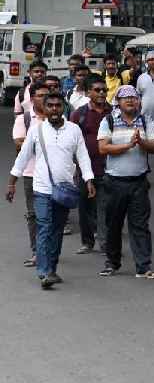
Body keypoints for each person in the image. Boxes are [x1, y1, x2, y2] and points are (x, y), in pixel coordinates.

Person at [7, 91, 95, 289]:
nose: (54, 109)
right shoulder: (36, 130)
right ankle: (44, 272)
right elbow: (23, 157)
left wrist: (89, 179)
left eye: (58, 105)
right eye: (50, 105)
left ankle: (51, 268)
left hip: (64, 190)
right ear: (44, 108)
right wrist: (12, 183)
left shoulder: (74, 130)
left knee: (56, 230)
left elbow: (82, 156)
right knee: (44, 228)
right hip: (42, 189)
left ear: (63, 107)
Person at [97, 85, 154, 278]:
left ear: (138, 101)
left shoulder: (145, 120)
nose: (130, 100)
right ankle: (112, 263)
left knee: (140, 225)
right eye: (125, 98)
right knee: (113, 224)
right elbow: (103, 148)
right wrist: (128, 145)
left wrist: (141, 142)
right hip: (114, 183)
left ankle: (144, 267)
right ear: (118, 102)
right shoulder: (109, 120)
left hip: (138, 182)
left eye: (133, 97)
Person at [70, 75, 112, 255]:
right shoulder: (78, 114)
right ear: (88, 93)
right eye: (97, 90)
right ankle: (87, 242)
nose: (102, 93)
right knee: (85, 207)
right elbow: (71, 141)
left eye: (104, 90)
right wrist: (74, 167)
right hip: (85, 169)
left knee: (105, 207)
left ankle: (105, 243)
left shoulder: (113, 112)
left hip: (110, 168)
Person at [12, 81, 49, 266]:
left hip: (54, 175)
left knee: (52, 215)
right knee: (34, 214)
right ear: (32, 98)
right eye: (40, 95)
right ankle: (37, 251)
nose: (44, 99)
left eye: (47, 95)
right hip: (31, 174)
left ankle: (49, 249)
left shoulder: (58, 117)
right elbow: (19, 142)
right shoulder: (24, 119)